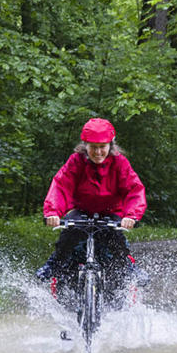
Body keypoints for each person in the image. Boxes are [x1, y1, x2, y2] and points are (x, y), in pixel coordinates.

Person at [35, 118, 148, 286]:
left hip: (111, 212)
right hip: (82, 211)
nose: (98, 152)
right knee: (68, 236)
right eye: (93, 147)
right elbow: (61, 186)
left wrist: (131, 216)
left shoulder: (119, 162)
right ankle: (55, 265)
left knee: (116, 239)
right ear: (85, 146)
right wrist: (52, 212)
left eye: (102, 147)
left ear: (110, 146)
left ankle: (128, 267)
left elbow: (134, 189)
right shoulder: (76, 161)